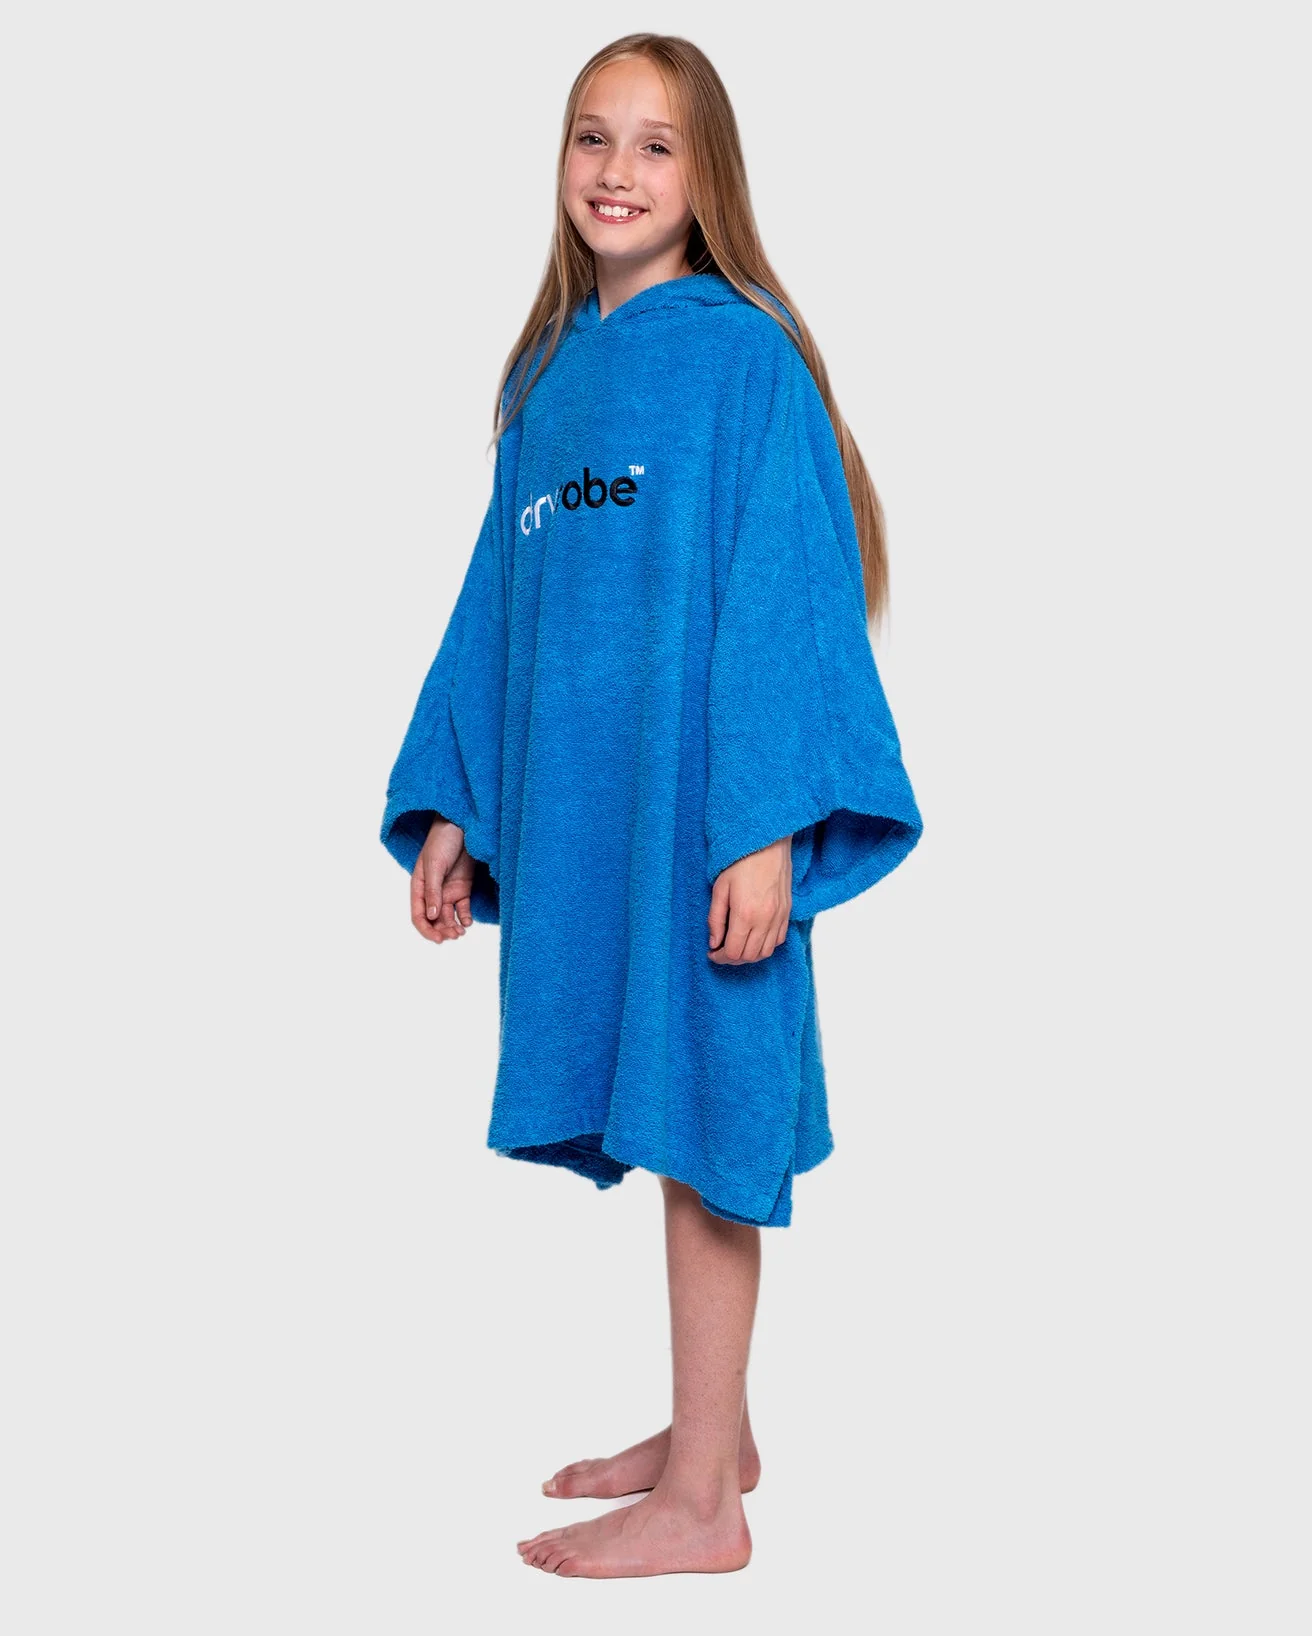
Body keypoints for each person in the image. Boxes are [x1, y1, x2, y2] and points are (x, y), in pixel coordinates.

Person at [379, 32, 923, 1578]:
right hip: (589, 825)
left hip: (701, 823)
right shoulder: (546, 382)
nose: (616, 170)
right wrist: (458, 807)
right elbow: (498, 607)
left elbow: (790, 588)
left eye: (656, 144)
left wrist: (763, 822)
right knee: (662, 1106)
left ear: (708, 176)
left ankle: (701, 1507)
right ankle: (714, 1434)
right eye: (591, 136)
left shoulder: (742, 358)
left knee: (707, 1115)